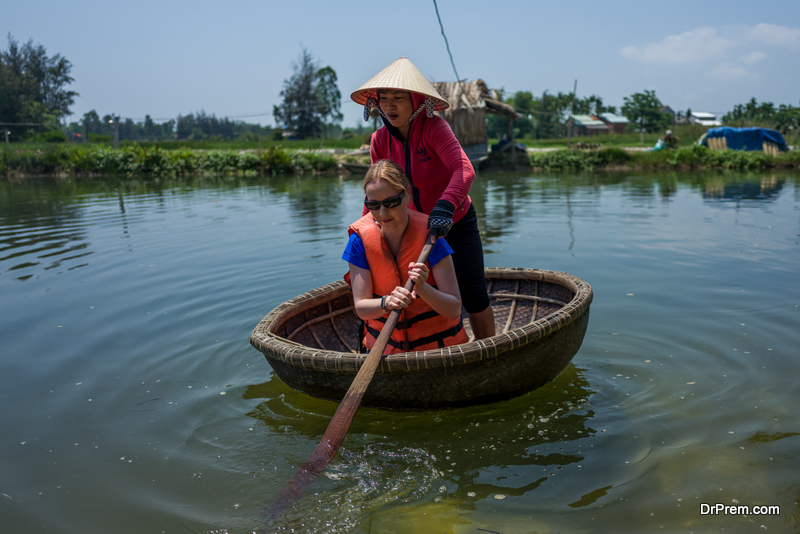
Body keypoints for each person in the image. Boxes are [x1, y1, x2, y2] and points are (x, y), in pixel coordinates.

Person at [350, 57, 496, 340]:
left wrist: (444, 206)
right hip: (415, 228)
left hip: (455, 220)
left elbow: (464, 170)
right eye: (384, 98)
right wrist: (363, 231)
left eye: (398, 97)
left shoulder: (434, 129)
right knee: (403, 290)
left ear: (417, 100)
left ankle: (489, 350)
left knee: (473, 292)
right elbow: (376, 190)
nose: (389, 105)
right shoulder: (380, 140)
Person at [343, 159, 469, 354]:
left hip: (439, 353)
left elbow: (453, 309)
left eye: (391, 203)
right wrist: (387, 302)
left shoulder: (431, 236)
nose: (383, 213)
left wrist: (423, 288)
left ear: (407, 194)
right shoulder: (359, 240)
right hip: (387, 354)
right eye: (373, 205)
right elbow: (361, 307)